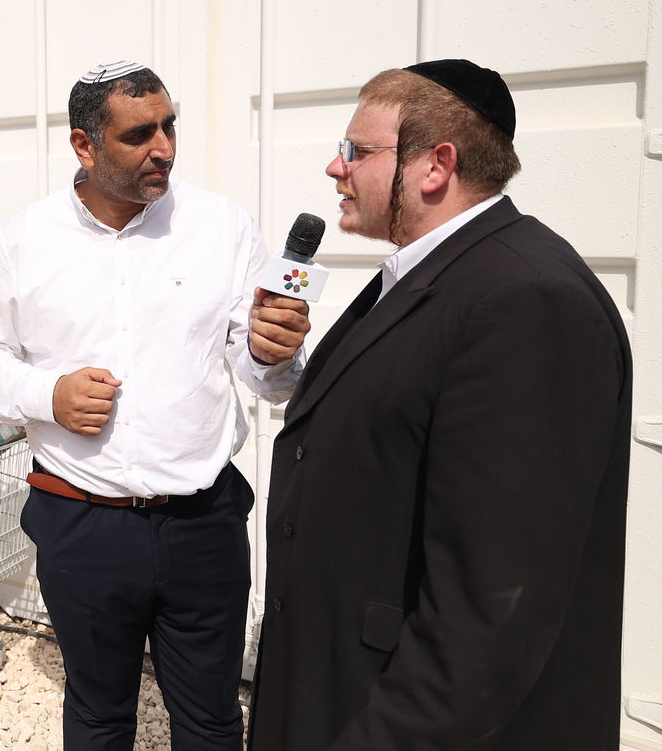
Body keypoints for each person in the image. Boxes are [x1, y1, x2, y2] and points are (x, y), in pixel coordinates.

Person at [247, 60, 632, 751]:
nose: (335, 169)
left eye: (356, 151)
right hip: (338, 692)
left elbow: (489, 613)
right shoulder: (429, 274)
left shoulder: (526, 300)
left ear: (435, 165)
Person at [0, 61, 311, 750]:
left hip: (204, 524)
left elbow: (268, 379)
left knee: (211, 720)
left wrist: (276, 352)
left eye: (170, 125)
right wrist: (48, 394)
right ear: (84, 147)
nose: (165, 148)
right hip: (82, 524)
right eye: (140, 133)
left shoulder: (222, 226)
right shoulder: (25, 239)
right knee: (97, 717)